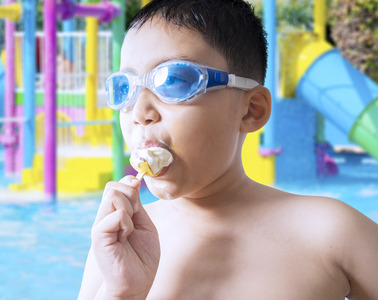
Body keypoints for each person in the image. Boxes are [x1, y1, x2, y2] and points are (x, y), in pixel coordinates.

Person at [78, 0, 378, 299]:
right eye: (124, 88)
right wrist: (122, 292)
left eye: (174, 81)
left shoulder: (331, 232)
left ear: (251, 111)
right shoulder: (117, 241)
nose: (140, 111)